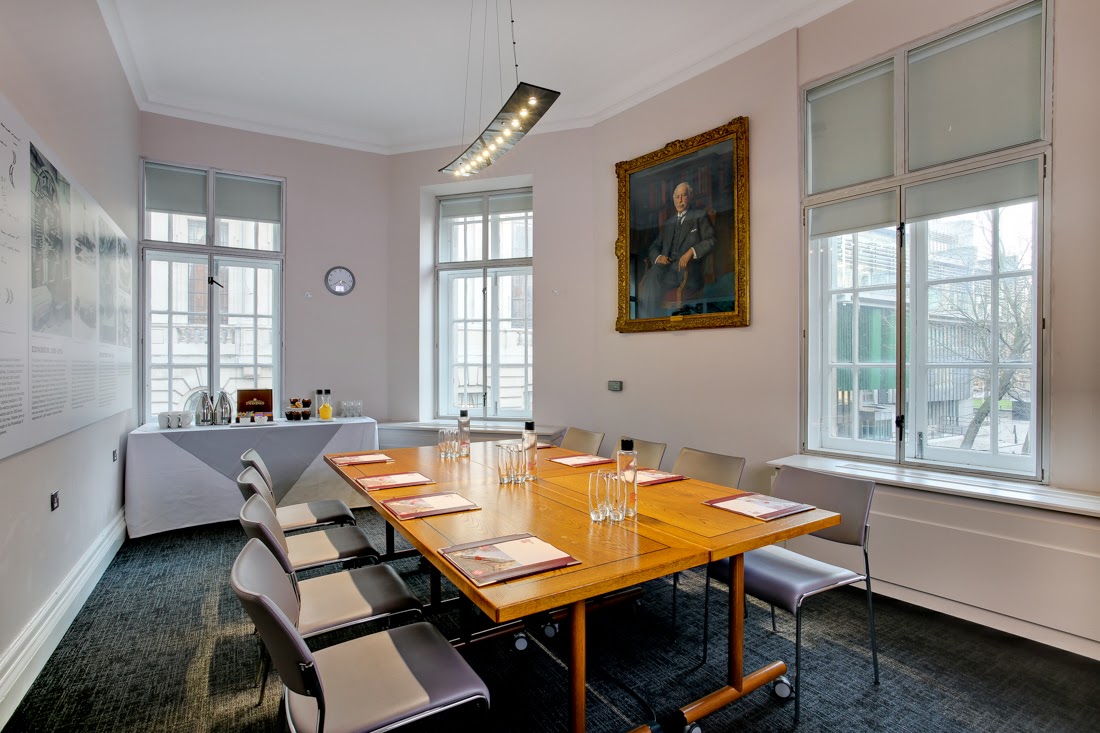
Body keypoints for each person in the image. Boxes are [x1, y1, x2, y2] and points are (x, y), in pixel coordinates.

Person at [637, 181, 716, 318]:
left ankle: (649, 321)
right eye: (677, 197)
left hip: (687, 269)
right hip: (667, 269)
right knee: (652, 275)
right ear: (673, 200)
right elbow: (654, 246)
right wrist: (658, 258)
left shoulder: (699, 216)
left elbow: (711, 240)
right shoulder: (668, 223)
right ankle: (647, 321)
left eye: (683, 196)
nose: (680, 200)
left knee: (653, 283)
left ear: (690, 197)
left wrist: (691, 251)